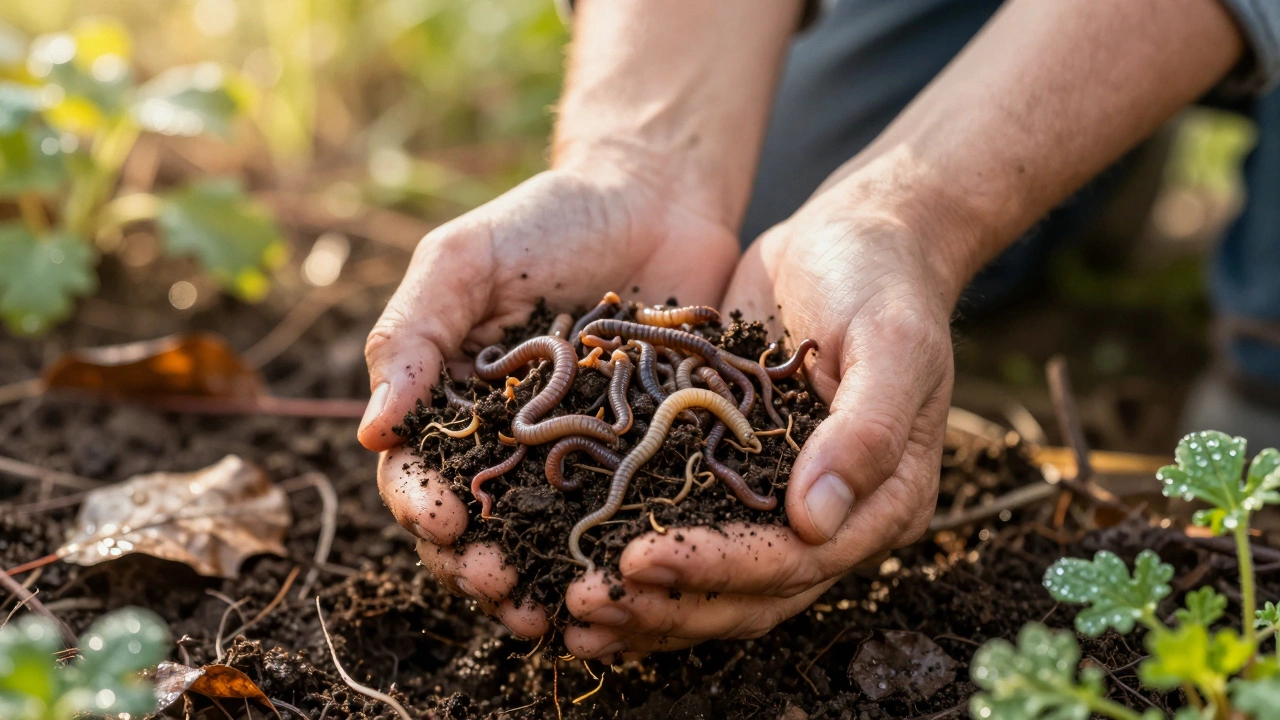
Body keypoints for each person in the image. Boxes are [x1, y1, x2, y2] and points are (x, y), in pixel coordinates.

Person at [358, 0, 1280, 661]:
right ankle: (1093, 164)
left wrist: (919, 211)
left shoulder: (685, 377)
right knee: (767, 199)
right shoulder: (630, 369)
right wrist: (633, 161)